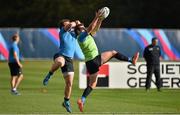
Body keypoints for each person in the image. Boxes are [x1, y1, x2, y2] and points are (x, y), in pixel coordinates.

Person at [75, 11, 139, 112]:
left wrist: (100, 19)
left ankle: (82, 99)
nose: (83, 26)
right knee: (113, 52)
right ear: (79, 30)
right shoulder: (81, 37)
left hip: (89, 63)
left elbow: (95, 28)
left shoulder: (86, 35)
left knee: (92, 84)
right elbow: (91, 27)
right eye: (82, 26)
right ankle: (131, 60)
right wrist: (96, 17)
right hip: (94, 59)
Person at [42, 19, 78, 113]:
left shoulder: (74, 33)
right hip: (61, 55)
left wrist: (79, 24)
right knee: (60, 62)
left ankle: (66, 101)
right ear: (63, 26)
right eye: (67, 24)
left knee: (69, 83)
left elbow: (85, 30)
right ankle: (49, 74)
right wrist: (75, 22)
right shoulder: (62, 31)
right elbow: (70, 25)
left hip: (69, 59)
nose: (69, 25)